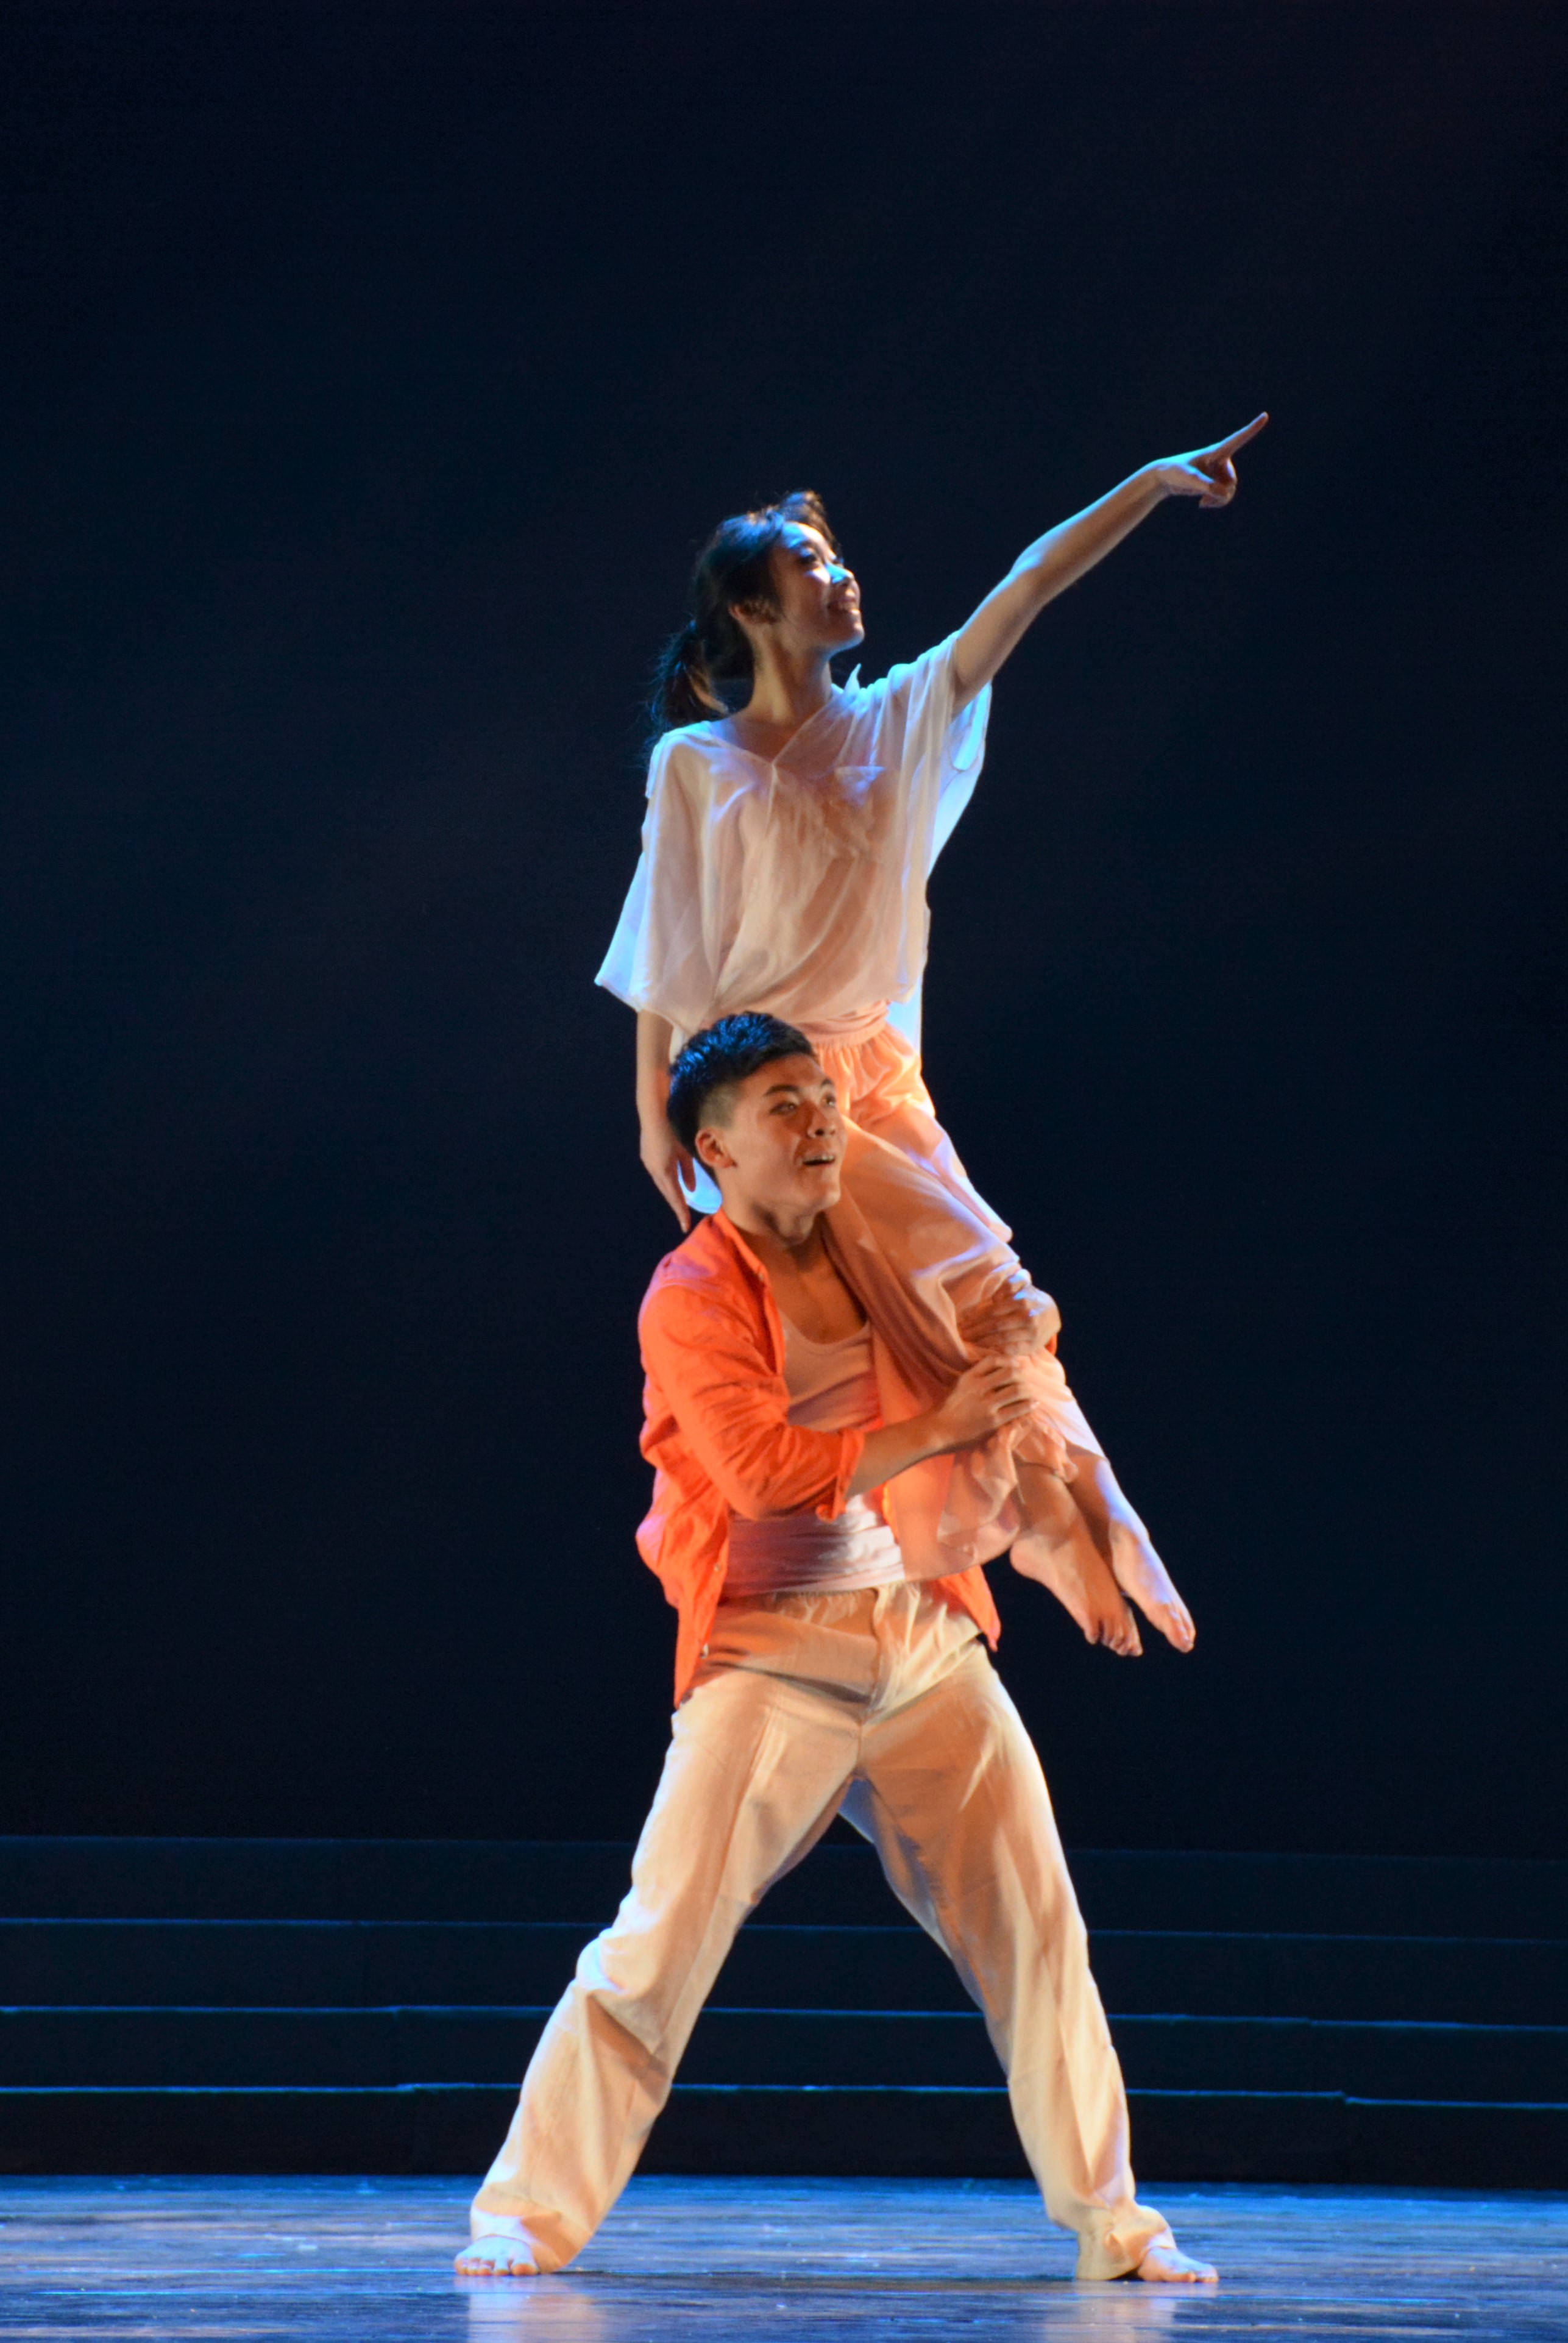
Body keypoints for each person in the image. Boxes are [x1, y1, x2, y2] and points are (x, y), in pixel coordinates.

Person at [456, 1014, 1216, 2284]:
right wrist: (944, 1424)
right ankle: (523, 2215)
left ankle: (1116, 2227)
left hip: (924, 1648)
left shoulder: (885, 1245)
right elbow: (761, 1473)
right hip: (772, 1661)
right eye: (784, 1106)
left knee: (1041, 1940)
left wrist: (1063, 1509)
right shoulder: (691, 1292)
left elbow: (1008, 1333)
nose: (819, 1122)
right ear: (714, 1150)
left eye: (824, 1097)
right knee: (656, 1948)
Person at [598, 418, 1266, 1657]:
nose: (841, 573)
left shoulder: (899, 712)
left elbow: (1028, 585)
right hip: (757, 1090)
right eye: (809, 561)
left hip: (872, 1081)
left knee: (988, 1305)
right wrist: (655, 1114)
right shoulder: (697, 762)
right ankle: (1022, 1526)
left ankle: (1070, 1512)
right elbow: (666, 950)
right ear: (751, 606)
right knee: (865, 1343)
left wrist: (1152, 485)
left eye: (837, 555)